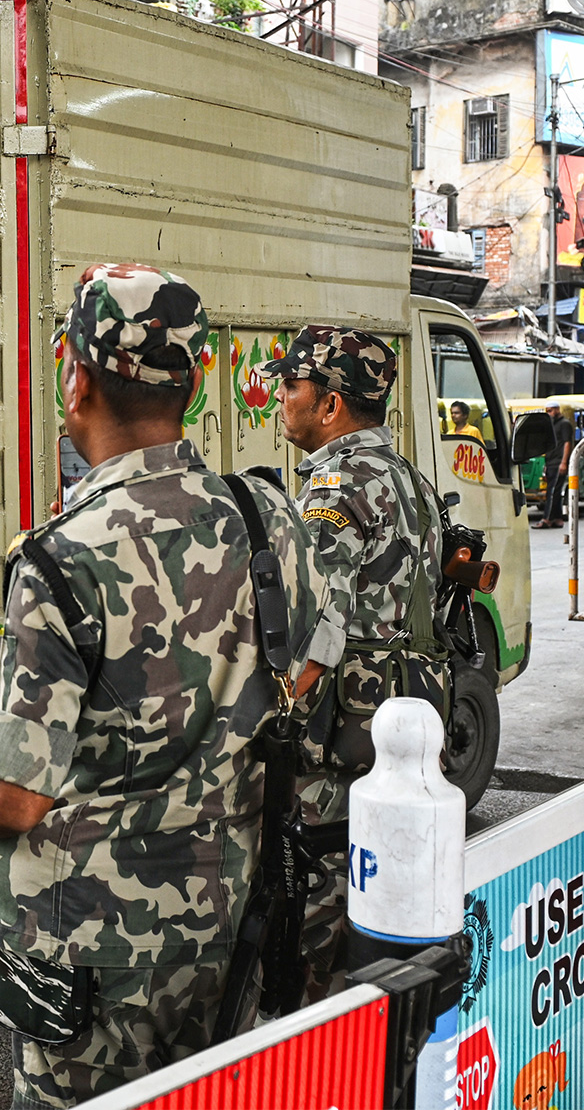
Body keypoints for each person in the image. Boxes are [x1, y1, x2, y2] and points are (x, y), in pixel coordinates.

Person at [0, 264, 337, 1108]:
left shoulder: (59, 558)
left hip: (91, 963)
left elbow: (13, 800)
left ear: (75, 378)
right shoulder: (265, 516)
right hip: (232, 932)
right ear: (191, 381)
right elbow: (316, 655)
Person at [261, 325, 448, 1000]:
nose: (280, 397)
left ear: (331, 404)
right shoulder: (409, 478)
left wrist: (267, 714)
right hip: (400, 730)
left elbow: (321, 630)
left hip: (339, 746)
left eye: (291, 384)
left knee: (317, 912)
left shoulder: (336, 487)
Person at [537, 400, 575, 529]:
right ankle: (557, 518)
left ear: (557, 410)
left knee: (552, 491)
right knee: (555, 491)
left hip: (559, 462)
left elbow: (567, 443)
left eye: (550, 410)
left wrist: (564, 462)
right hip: (551, 462)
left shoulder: (564, 424)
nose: (549, 413)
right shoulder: (552, 424)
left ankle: (547, 519)